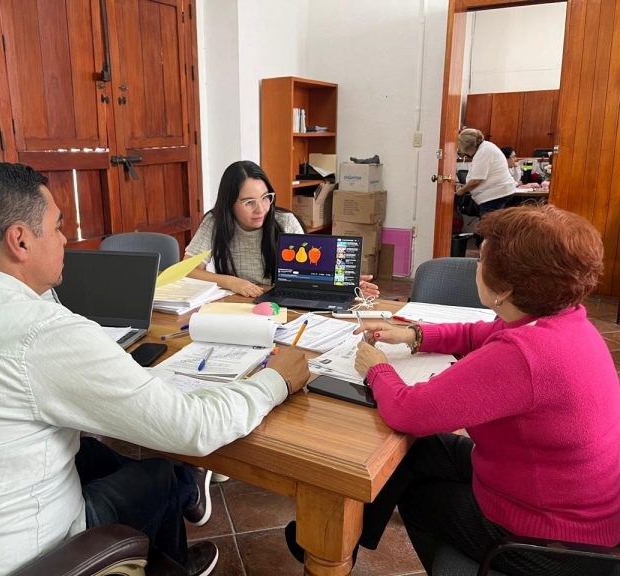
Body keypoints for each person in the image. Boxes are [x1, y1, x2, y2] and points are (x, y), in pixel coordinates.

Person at [0, 162, 311, 576]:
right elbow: (193, 428)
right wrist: (277, 379)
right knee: (161, 471)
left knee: (98, 452)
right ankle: (172, 558)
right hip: (22, 561)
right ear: (20, 240)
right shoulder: (42, 331)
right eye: (57, 228)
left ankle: (176, 531)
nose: (65, 239)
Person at [324, 204, 618, 576]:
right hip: (568, 504)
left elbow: (408, 411)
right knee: (415, 454)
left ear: (505, 288)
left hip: (549, 543)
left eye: (482, 261)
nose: (476, 266)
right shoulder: (560, 320)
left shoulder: (523, 355)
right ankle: (337, 548)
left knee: (413, 493)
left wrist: (375, 367)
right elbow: (476, 333)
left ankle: (335, 551)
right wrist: (416, 334)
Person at [186, 160, 380, 299]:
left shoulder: (284, 222)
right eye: (248, 202)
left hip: (278, 303)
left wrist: (347, 285)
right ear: (229, 204)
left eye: (265, 197)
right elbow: (188, 270)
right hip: (234, 301)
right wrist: (231, 282)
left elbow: (311, 272)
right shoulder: (215, 222)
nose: (260, 209)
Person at [455, 129, 516, 217]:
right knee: (489, 225)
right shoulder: (486, 147)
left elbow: (477, 180)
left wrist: (462, 190)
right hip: (497, 193)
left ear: (468, 147)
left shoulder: (483, 152)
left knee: (487, 226)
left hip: (494, 195)